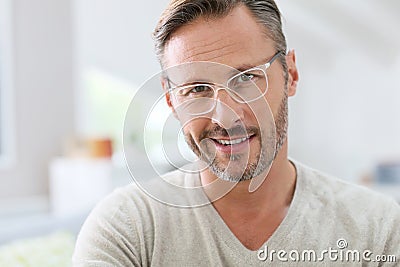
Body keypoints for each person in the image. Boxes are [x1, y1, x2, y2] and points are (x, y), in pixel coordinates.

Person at [73, 0, 400, 266]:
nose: (225, 116)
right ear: (172, 99)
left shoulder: (378, 229)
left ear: (292, 74)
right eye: (198, 88)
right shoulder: (127, 228)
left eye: (246, 78)